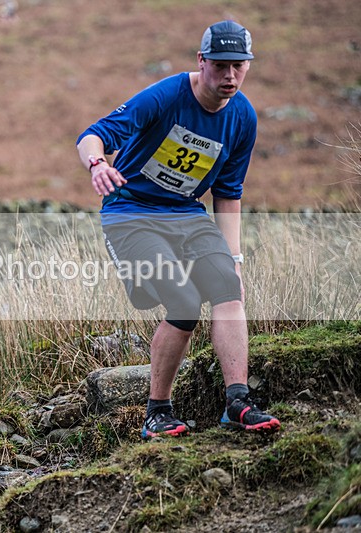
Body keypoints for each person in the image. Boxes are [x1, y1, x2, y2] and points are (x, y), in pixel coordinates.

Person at [76, 21, 280, 439]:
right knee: (184, 301)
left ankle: (237, 402)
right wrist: (98, 164)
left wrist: (234, 259)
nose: (229, 76)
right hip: (130, 212)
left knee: (227, 285)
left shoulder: (242, 117)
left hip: (186, 213)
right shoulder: (167, 96)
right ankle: (157, 412)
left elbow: (228, 191)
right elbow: (94, 135)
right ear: (201, 61)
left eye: (239, 67)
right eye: (221, 66)